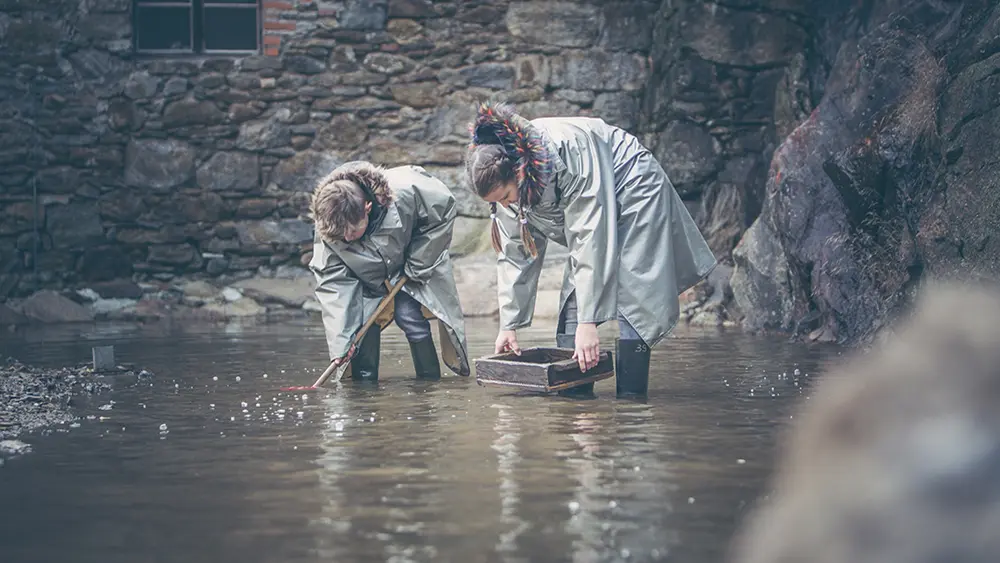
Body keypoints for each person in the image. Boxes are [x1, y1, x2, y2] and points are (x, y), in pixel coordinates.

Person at [465, 101, 717, 397]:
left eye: (507, 196)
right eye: (498, 203)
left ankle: (631, 403)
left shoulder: (568, 153)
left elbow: (590, 239)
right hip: (591, 209)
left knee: (636, 289)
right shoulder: (504, 186)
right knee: (575, 295)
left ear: (519, 173)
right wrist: (508, 325)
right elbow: (515, 253)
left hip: (631, 186)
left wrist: (589, 322)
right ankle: (576, 398)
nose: (505, 206)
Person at [308, 160, 470, 382]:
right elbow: (333, 283)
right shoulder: (330, 226)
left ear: (367, 208)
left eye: (352, 232)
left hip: (410, 267)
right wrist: (340, 343)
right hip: (364, 280)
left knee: (410, 317)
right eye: (341, 237)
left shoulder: (410, 190)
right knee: (359, 330)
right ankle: (363, 392)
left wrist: (418, 262)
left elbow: (441, 214)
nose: (346, 240)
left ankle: (429, 384)